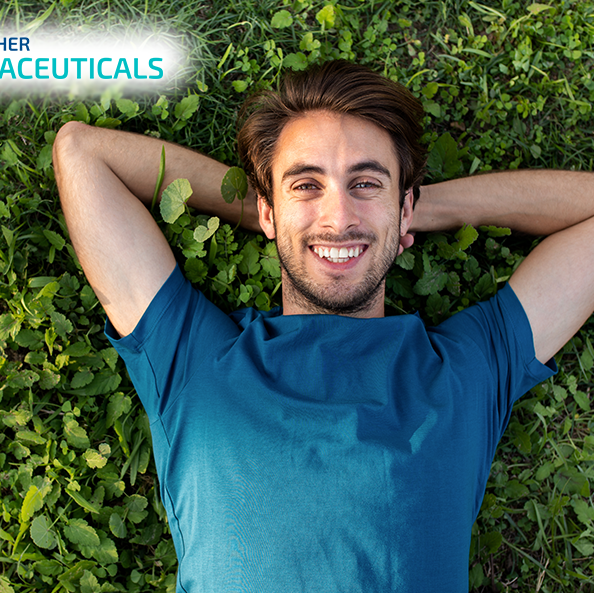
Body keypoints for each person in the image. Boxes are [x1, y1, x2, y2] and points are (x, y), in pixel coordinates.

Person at [52, 60, 594, 592]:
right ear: (267, 211)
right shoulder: (193, 360)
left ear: (405, 207)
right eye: (306, 186)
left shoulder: (466, 372)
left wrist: (407, 210)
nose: (338, 217)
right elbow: (82, 152)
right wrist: (283, 216)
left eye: (365, 183)